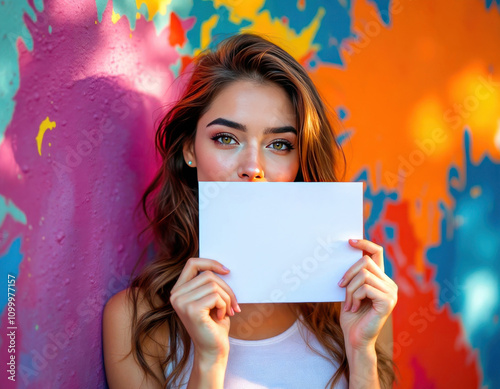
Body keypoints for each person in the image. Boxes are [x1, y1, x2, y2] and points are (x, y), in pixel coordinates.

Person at [102, 33, 398, 389]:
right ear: (188, 150)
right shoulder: (135, 320)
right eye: (226, 138)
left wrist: (361, 352)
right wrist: (208, 361)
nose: (253, 167)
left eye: (279, 144)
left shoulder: (353, 304)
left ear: (299, 164)